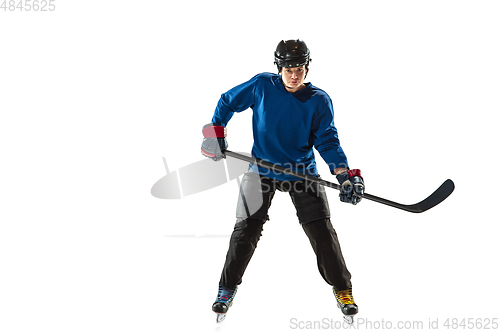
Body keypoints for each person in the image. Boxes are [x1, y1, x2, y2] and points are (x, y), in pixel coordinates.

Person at [201, 39, 365, 323]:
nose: (294, 74)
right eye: (288, 67)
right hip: (261, 169)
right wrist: (215, 131)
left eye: (299, 68)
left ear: (307, 68)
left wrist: (343, 174)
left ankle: (343, 290)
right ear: (279, 67)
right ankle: (226, 289)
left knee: (322, 232)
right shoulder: (261, 85)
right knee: (245, 230)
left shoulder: (318, 100)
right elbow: (228, 101)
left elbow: (327, 140)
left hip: (302, 172)